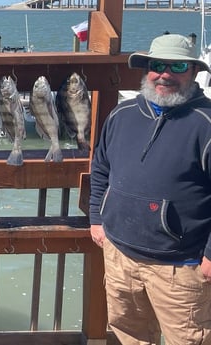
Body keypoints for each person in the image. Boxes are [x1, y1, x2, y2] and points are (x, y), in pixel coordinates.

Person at [90, 33, 211, 345]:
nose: (165, 74)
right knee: (128, 335)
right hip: (119, 257)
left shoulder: (205, 123)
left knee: (189, 340)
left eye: (177, 66)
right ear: (146, 69)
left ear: (194, 72)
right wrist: (96, 218)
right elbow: (101, 167)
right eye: (157, 65)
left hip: (181, 269)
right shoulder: (121, 114)